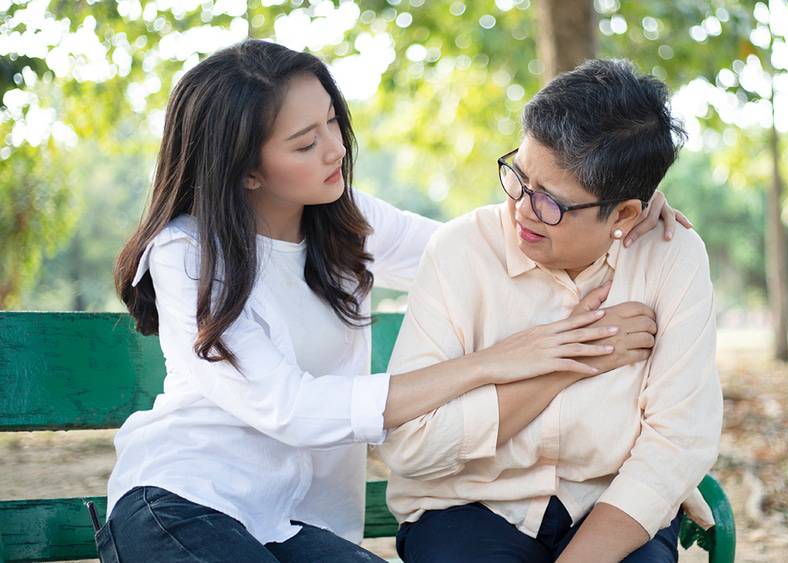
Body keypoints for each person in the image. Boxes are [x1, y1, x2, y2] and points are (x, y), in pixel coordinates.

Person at [99, 41, 685, 563]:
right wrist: (493, 362)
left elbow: (481, 249)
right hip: (183, 501)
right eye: (306, 143)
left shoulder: (347, 221)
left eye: (332, 121)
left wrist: (616, 197)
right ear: (245, 169)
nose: (336, 150)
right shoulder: (186, 253)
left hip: (298, 525)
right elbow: (291, 409)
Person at [379, 59, 723, 563]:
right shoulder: (461, 252)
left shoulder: (671, 257)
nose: (521, 208)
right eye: (518, 176)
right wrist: (562, 362)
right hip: (467, 509)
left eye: (551, 203)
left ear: (625, 213)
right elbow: (410, 446)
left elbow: (678, 441)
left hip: (609, 510)